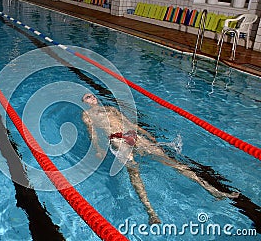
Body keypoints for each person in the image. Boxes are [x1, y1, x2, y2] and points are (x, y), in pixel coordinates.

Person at [81, 93, 238, 224]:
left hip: (133, 136)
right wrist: (98, 149)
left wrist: (147, 134)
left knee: (172, 162)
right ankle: (151, 212)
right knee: (134, 172)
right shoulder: (87, 115)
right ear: (84, 103)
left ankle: (213, 191)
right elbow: (92, 132)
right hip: (117, 140)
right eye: (87, 97)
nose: (92, 96)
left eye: (92, 95)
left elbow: (129, 123)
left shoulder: (110, 108)